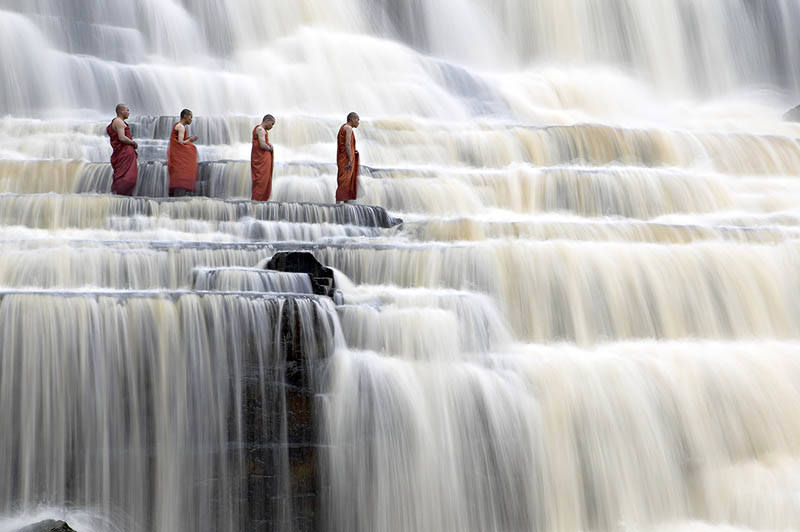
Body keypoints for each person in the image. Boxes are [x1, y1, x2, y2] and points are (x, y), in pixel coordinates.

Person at [106, 103, 138, 195]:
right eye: (127, 110)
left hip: (121, 152)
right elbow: (121, 137)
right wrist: (133, 143)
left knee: (123, 175)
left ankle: (120, 196)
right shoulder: (119, 122)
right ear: (121, 111)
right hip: (125, 152)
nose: (129, 112)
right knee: (127, 177)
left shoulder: (115, 121)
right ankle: (122, 195)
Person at [167, 108, 199, 197]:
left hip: (173, 150)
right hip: (176, 151)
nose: (191, 119)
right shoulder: (181, 127)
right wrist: (190, 140)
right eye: (190, 117)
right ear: (185, 116)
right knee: (192, 149)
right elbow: (180, 143)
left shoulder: (179, 125)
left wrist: (189, 139)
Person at [335, 112, 360, 203]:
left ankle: (344, 204)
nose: (358, 122)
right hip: (345, 159)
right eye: (357, 120)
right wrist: (350, 159)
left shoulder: (343, 127)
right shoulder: (348, 128)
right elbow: (347, 144)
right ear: (352, 119)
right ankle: (339, 204)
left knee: (344, 179)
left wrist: (354, 151)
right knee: (345, 180)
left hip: (341, 157)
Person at [251, 114, 275, 201]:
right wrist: (270, 148)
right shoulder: (260, 129)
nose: (272, 126)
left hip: (261, 158)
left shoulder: (260, 129)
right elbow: (262, 145)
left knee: (261, 179)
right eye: (272, 124)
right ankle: (258, 199)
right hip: (261, 159)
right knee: (261, 180)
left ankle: (260, 201)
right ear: (267, 121)